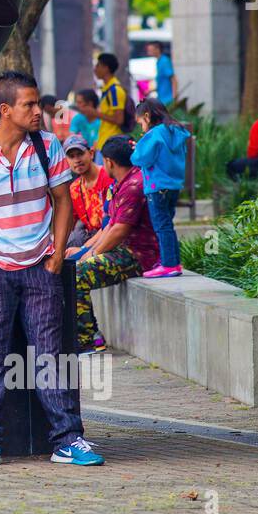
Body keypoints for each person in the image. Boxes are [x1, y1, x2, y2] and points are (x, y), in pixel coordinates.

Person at [0, 70, 104, 468]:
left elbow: (62, 200)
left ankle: (68, 440)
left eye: (37, 104)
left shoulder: (47, 145)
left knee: (51, 354)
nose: (39, 111)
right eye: (29, 105)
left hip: (40, 266)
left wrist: (56, 255)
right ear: (5, 109)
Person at [69, 135, 160, 352]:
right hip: (123, 250)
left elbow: (120, 230)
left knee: (77, 273)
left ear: (109, 162)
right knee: (68, 265)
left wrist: (91, 254)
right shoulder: (124, 182)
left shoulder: (134, 185)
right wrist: (85, 250)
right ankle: (84, 335)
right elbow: (109, 226)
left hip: (139, 255)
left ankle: (88, 340)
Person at [131, 99, 189, 278]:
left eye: (141, 123)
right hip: (173, 186)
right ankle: (173, 262)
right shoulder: (176, 132)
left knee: (161, 226)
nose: (141, 128)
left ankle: (168, 264)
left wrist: (137, 147)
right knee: (167, 225)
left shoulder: (153, 135)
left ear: (147, 117)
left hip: (156, 188)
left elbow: (140, 159)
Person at [65, 134, 111, 248]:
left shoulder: (108, 176)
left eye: (80, 154)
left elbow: (112, 223)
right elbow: (69, 223)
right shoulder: (74, 188)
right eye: (71, 156)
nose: (77, 160)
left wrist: (83, 250)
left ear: (91, 153)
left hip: (110, 233)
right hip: (90, 235)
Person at [93, 53, 130, 147]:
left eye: (98, 65)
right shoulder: (107, 89)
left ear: (106, 68)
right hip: (104, 141)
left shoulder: (114, 91)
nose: (95, 69)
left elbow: (119, 119)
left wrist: (95, 113)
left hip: (111, 143)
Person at [148, 41, 176, 105]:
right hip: (162, 100)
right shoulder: (158, 62)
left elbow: (174, 80)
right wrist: (151, 91)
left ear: (157, 49)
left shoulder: (164, 61)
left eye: (150, 50)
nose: (148, 52)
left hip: (168, 101)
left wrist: (174, 97)